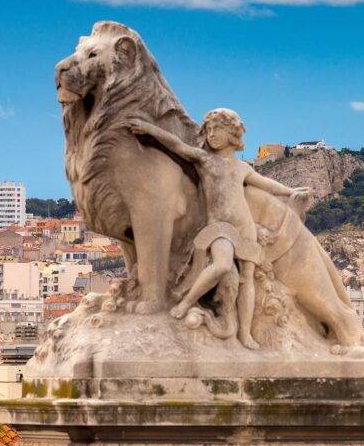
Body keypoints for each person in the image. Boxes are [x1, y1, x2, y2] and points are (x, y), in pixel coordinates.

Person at [127, 109, 309, 349]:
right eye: (209, 129)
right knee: (222, 264)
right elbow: (177, 145)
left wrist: (290, 191)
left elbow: (266, 184)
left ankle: (245, 332)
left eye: (218, 129)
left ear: (232, 134)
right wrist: (150, 129)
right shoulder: (205, 160)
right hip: (218, 227)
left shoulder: (242, 167)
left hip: (244, 227)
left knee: (247, 279)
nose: (212, 134)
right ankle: (185, 303)